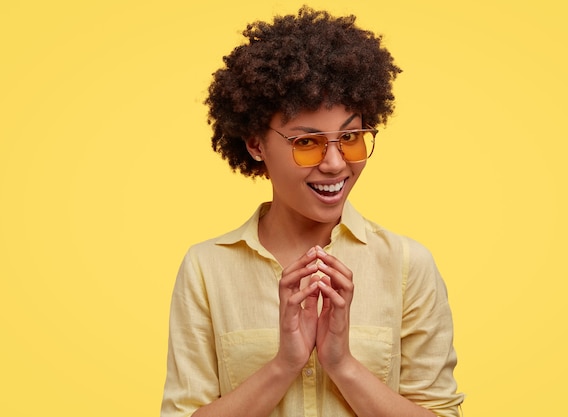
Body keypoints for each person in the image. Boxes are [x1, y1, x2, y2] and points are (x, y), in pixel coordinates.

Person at [161, 6, 464, 417]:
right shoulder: (206, 268)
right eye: (308, 143)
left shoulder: (408, 265)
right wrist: (285, 364)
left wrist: (342, 365)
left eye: (351, 137)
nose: (336, 164)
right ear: (255, 144)